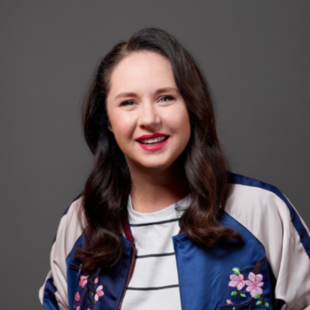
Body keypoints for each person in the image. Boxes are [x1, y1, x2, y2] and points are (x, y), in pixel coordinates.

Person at [39, 28, 310, 310]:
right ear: (107, 120)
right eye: (128, 102)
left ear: (192, 106)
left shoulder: (258, 210)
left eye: (165, 98)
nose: (149, 119)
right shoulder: (82, 221)